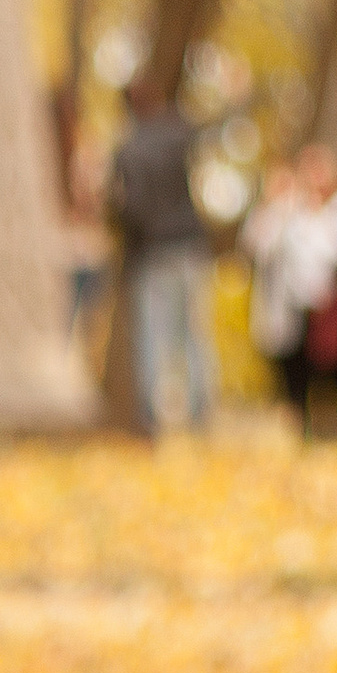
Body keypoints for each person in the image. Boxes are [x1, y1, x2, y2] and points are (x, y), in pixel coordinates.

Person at [106, 78, 215, 432]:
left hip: (152, 252)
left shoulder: (128, 150)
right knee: (193, 335)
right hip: (188, 245)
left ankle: (150, 420)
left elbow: (128, 206)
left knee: (155, 336)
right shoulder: (176, 135)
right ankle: (200, 415)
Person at [245, 145, 337, 438]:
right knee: (300, 376)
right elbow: (259, 246)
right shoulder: (287, 214)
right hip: (299, 312)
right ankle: (305, 431)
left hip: (333, 311)